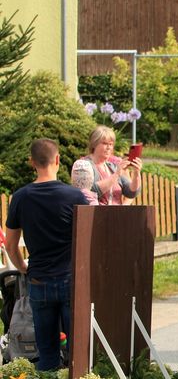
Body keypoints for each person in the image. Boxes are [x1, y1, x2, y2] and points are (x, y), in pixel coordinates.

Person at [4, 139, 89, 370]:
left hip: (39, 280)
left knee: (47, 353)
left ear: (32, 162)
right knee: (79, 352)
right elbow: (88, 240)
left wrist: (23, 268)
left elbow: (10, 245)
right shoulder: (75, 197)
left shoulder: (20, 197)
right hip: (71, 280)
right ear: (58, 160)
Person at [70, 125, 142, 205]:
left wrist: (136, 173)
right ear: (94, 144)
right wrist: (116, 175)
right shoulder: (84, 165)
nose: (109, 148)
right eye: (105, 144)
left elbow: (131, 192)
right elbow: (91, 191)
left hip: (117, 215)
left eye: (111, 144)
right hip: (94, 215)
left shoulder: (113, 167)